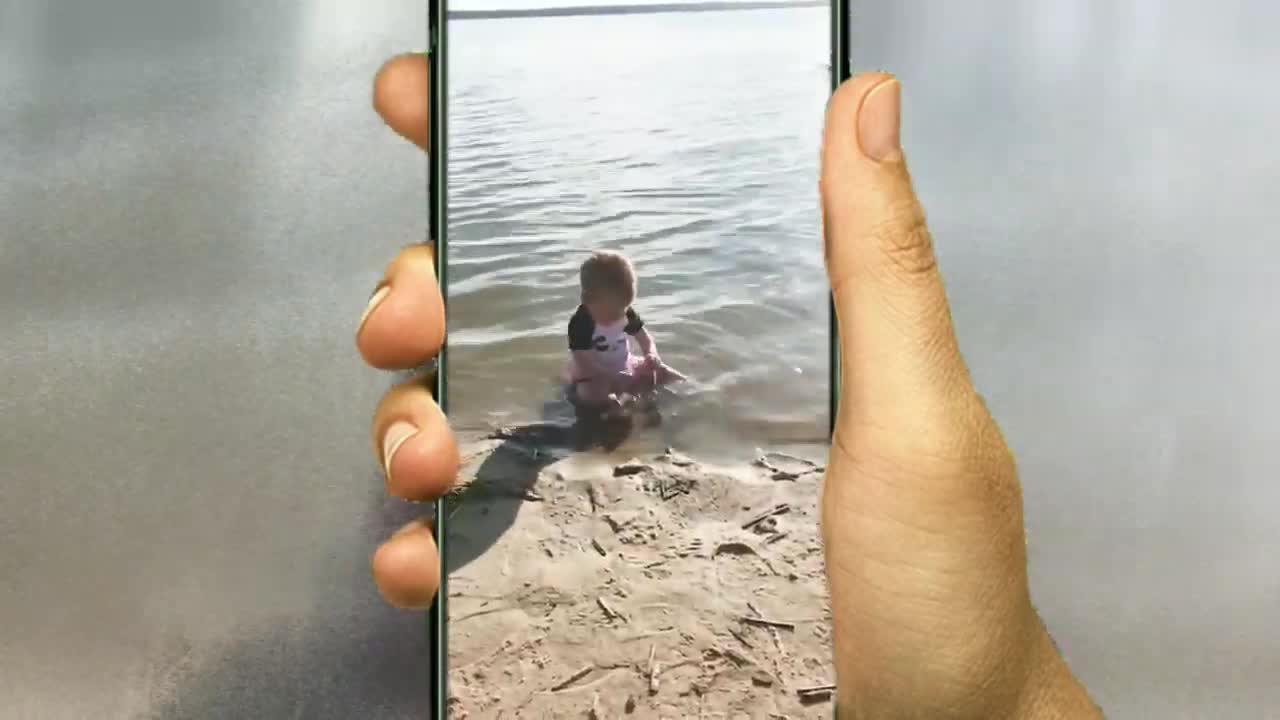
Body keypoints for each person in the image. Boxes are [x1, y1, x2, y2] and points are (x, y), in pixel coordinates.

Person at [357, 53, 1103, 718]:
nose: (619, 312)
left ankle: (652, 413)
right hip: (591, 383)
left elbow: (644, 340)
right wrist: (612, 388)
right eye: (612, 305)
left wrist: (654, 361)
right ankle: (600, 436)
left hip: (624, 372)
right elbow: (590, 366)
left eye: (623, 304)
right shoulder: (584, 329)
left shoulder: (628, 313)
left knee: (659, 382)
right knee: (602, 412)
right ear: (591, 303)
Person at [563, 250, 684, 417]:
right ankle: (612, 407)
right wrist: (614, 378)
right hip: (593, 374)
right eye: (611, 313)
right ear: (587, 299)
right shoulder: (581, 322)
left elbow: (645, 338)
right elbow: (584, 363)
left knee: (664, 372)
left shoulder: (623, 312)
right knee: (590, 394)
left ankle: (691, 394)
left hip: (625, 364)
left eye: (623, 310)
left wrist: (651, 355)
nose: (618, 317)